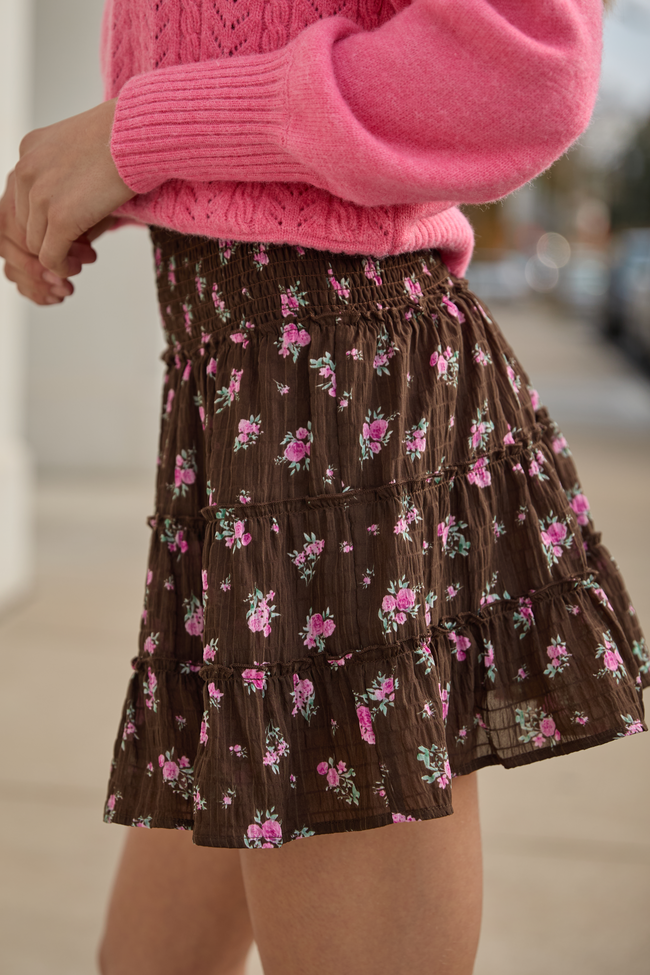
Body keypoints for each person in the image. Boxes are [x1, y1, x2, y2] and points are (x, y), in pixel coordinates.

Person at [0, 1, 646, 973]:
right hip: (250, 412)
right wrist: (106, 180)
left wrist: (134, 135)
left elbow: (522, 64)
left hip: (335, 418)